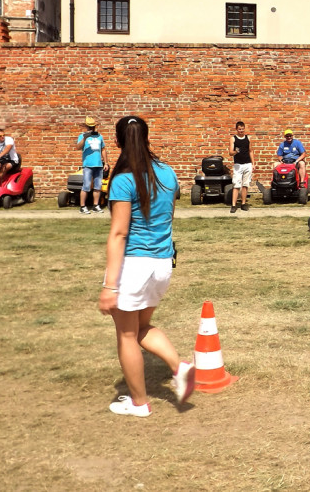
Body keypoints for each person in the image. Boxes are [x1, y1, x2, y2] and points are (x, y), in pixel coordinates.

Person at [99, 115, 194, 417]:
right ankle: (180, 369)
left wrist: (109, 286)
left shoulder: (123, 179)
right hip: (162, 264)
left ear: (116, 142)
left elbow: (119, 233)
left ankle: (139, 403)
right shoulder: (168, 173)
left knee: (127, 335)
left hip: (134, 266)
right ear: (148, 137)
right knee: (140, 328)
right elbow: (168, 218)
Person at [76, 115, 110, 214]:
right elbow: (78, 147)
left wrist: (106, 162)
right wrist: (85, 138)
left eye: (93, 127)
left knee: (98, 187)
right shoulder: (82, 136)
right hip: (88, 165)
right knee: (86, 186)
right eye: (90, 127)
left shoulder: (99, 136)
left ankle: (96, 205)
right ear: (86, 127)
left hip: (98, 165)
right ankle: (82, 207)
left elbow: (103, 149)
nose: (91, 129)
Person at [228, 121, 255, 213]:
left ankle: (243, 203)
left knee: (245, 185)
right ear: (236, 129)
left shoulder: (248, 138)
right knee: (236, 185)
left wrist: (253, 163)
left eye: (242, 129)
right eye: (239, 129)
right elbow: (230, 152)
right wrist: (235, 151)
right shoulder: (233, 139)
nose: (241, 131)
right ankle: (233, 205)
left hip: (247, 164)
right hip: (238, 165)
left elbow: (251, 151)